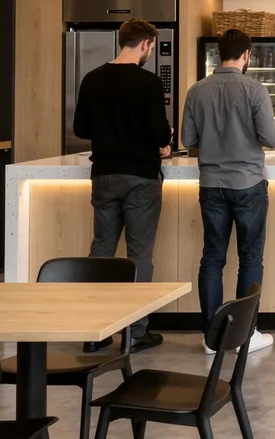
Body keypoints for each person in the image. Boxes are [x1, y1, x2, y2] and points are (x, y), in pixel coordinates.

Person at [72, 18, 172, 353]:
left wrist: (109, 131)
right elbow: (159, 132)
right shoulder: (148, 83)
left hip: (103, 174)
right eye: (152, 47)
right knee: (138, 254)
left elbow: (81, 128)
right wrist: (164, 142)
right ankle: (135, 332)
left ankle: (93, 331)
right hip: (140, 177)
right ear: (145, 45)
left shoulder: (92, 79)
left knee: (101, 250)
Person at [181, 28, 275, 354]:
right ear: (247, 54)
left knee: (212, 258)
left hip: (211, 184)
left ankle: (212, 338)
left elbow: (188, 141)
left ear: (218, 53)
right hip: (249, 183)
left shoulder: (196, 90)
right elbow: (272, 137)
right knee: (250, 258)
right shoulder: (255, 89)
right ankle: (244, 336)